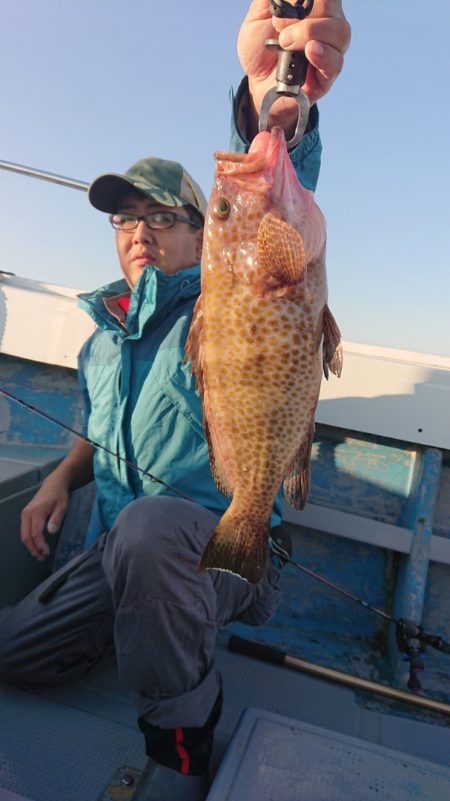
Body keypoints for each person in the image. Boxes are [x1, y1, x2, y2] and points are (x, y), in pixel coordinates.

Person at [0, 3, 350, 799]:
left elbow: (274, 208)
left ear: (203, 237)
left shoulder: (223, 296)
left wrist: (277, 99)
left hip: (224, 540)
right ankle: (139, 625)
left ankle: (183, 744)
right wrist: (60, 478)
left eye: (164, 217)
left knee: (152, 531)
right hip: (129, 551)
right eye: (127, 219)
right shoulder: (103, 338)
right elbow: (99, 427)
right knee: (14, 650)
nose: (139, 233)